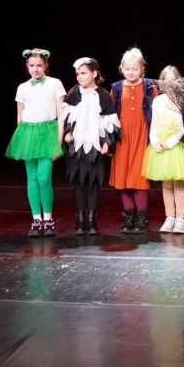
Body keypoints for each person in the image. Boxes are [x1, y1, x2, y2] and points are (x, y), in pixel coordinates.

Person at [5, 48, 65, 237]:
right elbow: (19, 115)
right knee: (31, 178)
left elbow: (61, 115)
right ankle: (36, 219)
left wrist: (59, 141)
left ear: (46, 65)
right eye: (32, 65)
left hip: (48, 133)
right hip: (28, 133)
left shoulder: (55, 83)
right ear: (27, 66)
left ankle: (48, 219)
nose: (36, 69)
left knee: (44, 177)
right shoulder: (22, 87)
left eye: (39, 65)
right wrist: (21, 139)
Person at [63, 58, 120, 235]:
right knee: (80, 183)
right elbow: (67, 116)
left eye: (84, 73)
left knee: (93, 183)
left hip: (95, 146)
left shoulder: (103, 95)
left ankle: (92, 219)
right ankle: (81, 219)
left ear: (94, 73)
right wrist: (67, 132)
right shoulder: (73, 93)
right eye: (77, 74)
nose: (79, 77)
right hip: (77, 146)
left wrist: (107, 142)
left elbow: (110, 121)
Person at [110, 48, 157, 234]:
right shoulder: (116, 88)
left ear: (142, 69)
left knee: (138, 178)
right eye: (127, 68)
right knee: (122, 178)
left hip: (141, 135)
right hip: (122, 138)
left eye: (135, 69)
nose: (131, 72)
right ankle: (129, 219)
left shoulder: (149, 86)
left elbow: (158, 111)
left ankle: (143, 220)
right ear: (121, 68)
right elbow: (109, 115)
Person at [142, 66, 184, 234]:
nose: (169, 83)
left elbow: (182, 126)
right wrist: (154, 141)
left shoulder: (182, 99)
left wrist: (170, 143)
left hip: (175, 145)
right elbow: (154, 124)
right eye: (166, 80)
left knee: (178, 184)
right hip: (160, 144)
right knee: (166, 184)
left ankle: (180, 219)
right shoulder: (158, 100)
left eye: (173, 80)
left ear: (179, 81)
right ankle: (169, 217)